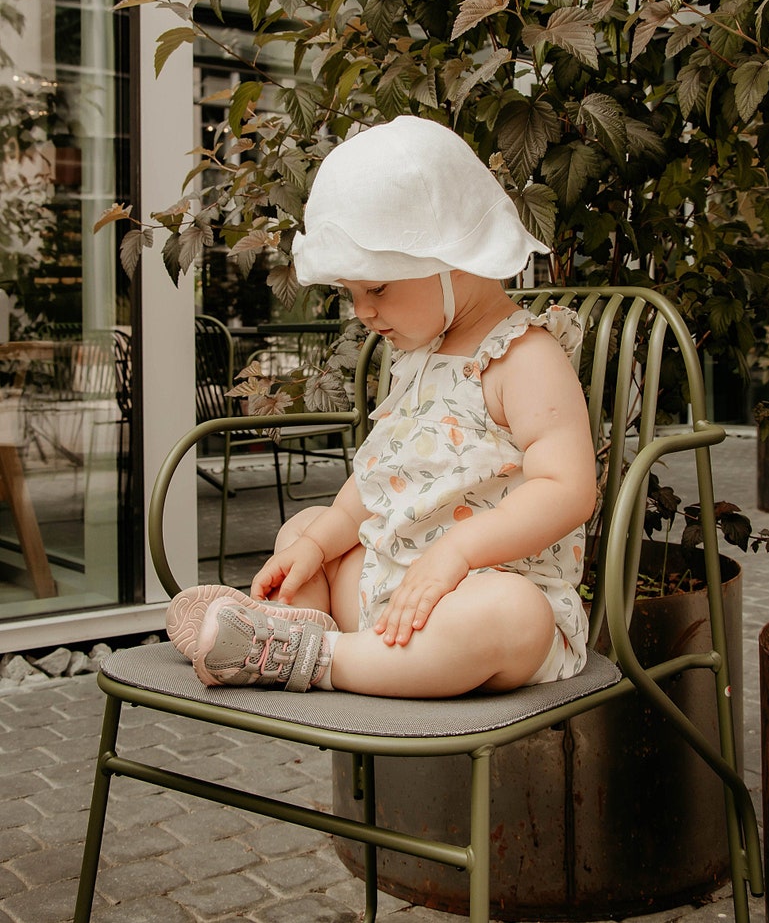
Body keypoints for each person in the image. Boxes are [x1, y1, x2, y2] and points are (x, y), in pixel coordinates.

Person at [167, 115, 596, 699]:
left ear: (455, 258)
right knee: (305, 528)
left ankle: (315, 658)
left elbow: (567, 489)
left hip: (475, 590)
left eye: (379, 288)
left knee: (512, 614)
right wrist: (317, 547)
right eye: (352, 292)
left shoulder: (524, 358)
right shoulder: (417, 355)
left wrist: (457, 553)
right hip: (388, 586)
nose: (363, 310)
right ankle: (284, 634)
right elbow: (373, 485)